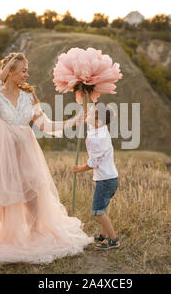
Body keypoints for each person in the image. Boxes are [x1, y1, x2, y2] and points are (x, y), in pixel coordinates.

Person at [0, 53, 93, 264]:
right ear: (10, 72)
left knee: (33, 194)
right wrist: (2, 72)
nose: (27, 74)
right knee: (7, 198)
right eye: (23, 70)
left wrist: (74, 121)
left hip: (27, 152)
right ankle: (9, 236)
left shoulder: (29, 96)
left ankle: (34, 234)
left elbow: (45, 125)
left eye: (27, 69)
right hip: (2, 156)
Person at [72, 102, 120, 249]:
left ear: (98, 120)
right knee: (103, 209)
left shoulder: (98, 139)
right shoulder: (99, 128)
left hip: (106, 180)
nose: (88, 115)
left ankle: (114, 239)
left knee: (98, 211)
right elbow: (90, 121)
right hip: (110, 178)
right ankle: (104, 236)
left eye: (92, 114)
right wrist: (87, 103)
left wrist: (78, 169)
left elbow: (93, 163)